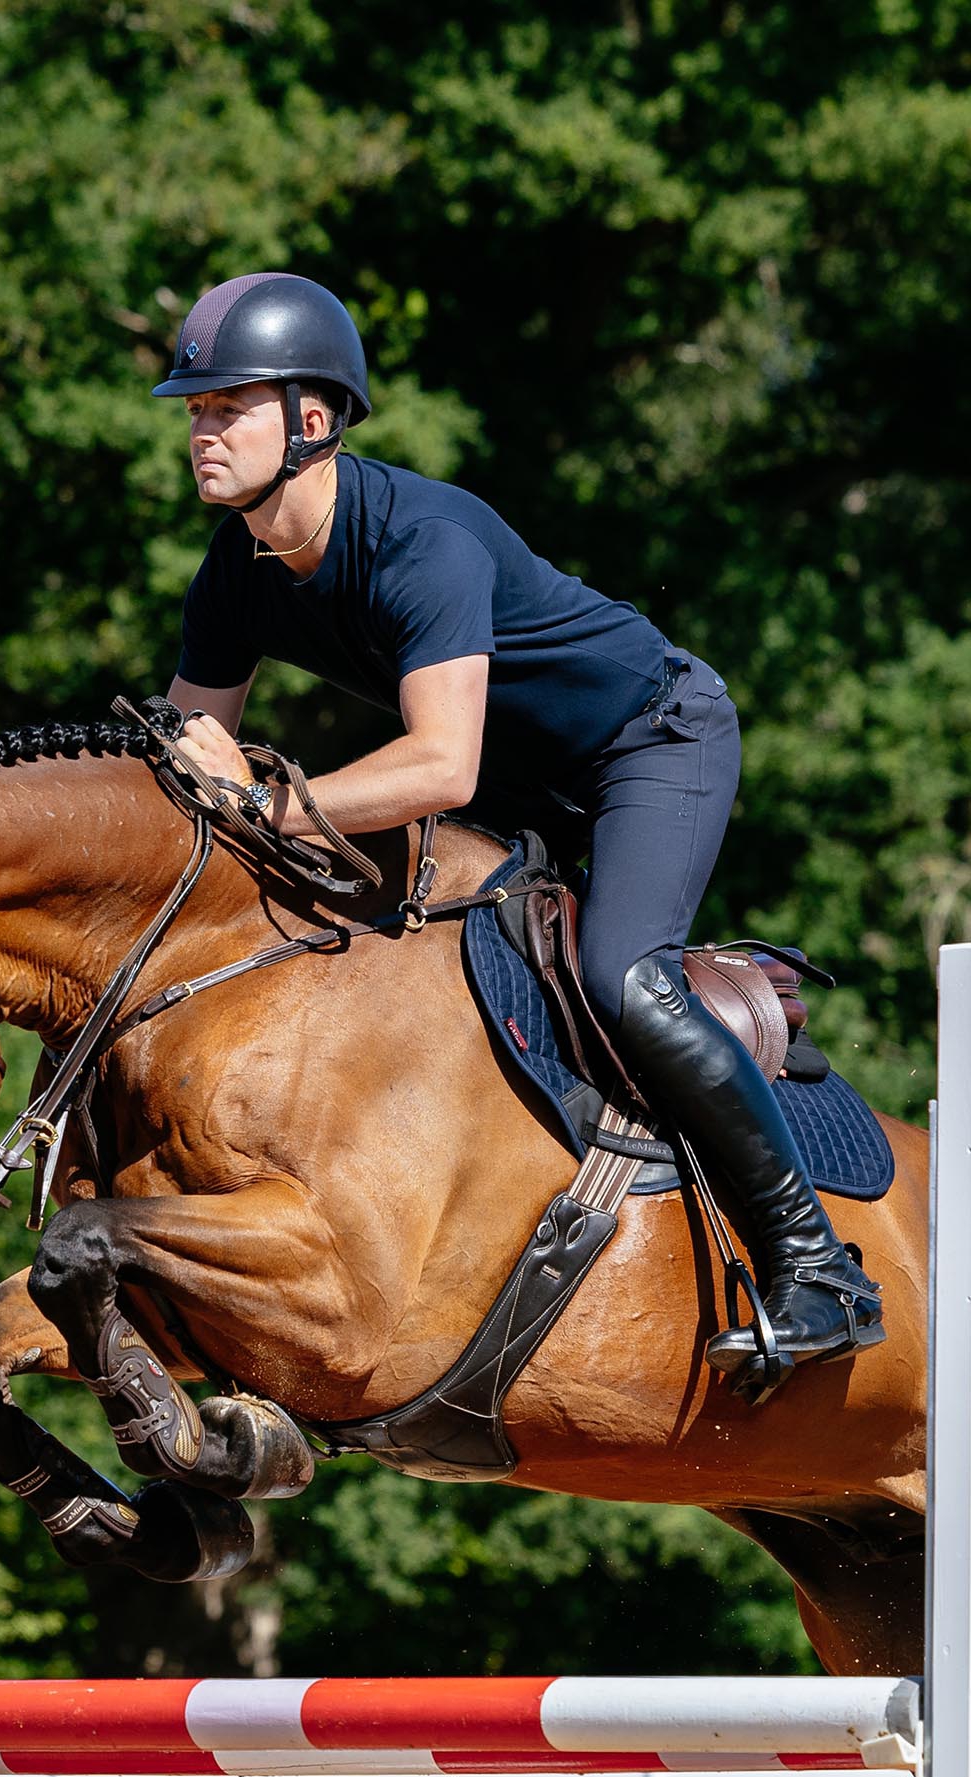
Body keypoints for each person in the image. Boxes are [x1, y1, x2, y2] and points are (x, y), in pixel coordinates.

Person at [155, 271, 882, 1386]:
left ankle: (816, 1269)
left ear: (311, 420)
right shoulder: (236, 570)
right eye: (195, 410)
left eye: (225, 407)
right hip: (519, 784)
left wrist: (272, 802)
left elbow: (439, 764)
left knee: (622, 979)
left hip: (646, 743)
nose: (200, 432)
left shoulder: (421, 541)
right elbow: (187, 759)